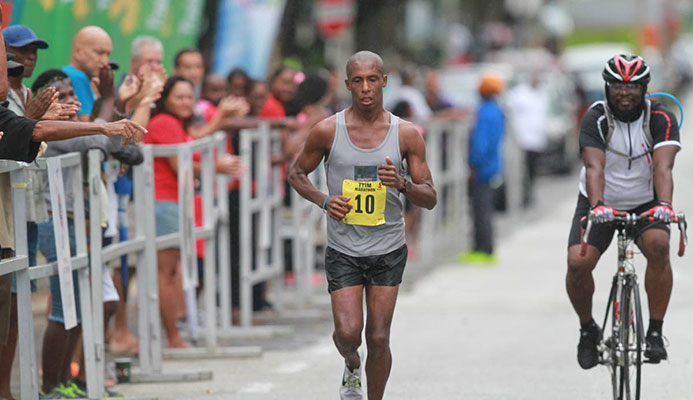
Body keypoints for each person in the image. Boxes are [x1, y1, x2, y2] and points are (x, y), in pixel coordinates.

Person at [289, 51, 436, 400]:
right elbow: (296, 174)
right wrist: (324, 201)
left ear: (384, 81)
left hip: (387, 246)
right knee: (348, 333)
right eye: (358, 81)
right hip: (344, 247)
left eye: (373, 80)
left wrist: (402, 184)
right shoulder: (327, 130)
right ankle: (351, 363)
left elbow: (429, 197)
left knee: (379, 337)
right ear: (347, 85)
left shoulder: (407, 134)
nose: (366, 88)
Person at [566, 55, 681, 369]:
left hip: (646, 200)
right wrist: (598, 205)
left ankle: (655, 332)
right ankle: (588, 329)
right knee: (578, 262)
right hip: (599, 200)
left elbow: (664, 167)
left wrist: (665, 207)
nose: (624, 93)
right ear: (607, 87)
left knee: (659, 246)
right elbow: (594, 166)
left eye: (632, 86)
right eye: (617, 86)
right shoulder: (596, 117)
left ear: (645, 88)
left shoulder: (661, 117)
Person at [144, 76, 245, 348]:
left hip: (172, 203)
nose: (186, 102)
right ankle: (173, 337)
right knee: (166, 273)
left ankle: (174, 334)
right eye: (179, 97)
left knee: (173, 272)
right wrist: (218, 168)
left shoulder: (174, 123)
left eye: (189, 96)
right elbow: (181, 164)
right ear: (165, 100)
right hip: (164, 202)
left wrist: (221, 117)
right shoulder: (164, 122)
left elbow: (196, 138)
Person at [459, 73, 505, 264]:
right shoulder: (496, 110)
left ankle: (483, 249)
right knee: (483, 210)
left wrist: (473, 162)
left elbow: (481, 143)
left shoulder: (486, 112)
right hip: (491, 167)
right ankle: (483, 248)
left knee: (481, 210)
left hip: (483, 169)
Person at [506, 74, 548, 207]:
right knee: (523, 170)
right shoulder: (520, 93)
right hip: (522, 139)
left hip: (536, 140)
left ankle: (529, 194)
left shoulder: (542, 95)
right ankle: (523, 195)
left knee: (532, 170)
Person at [62, 26, 113, 121]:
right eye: (99, 53)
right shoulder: (77, 77)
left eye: (108, 54)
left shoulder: (72, 75)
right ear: (78, 52)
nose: (105, 61)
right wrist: (108, 97)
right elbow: (88, 128)